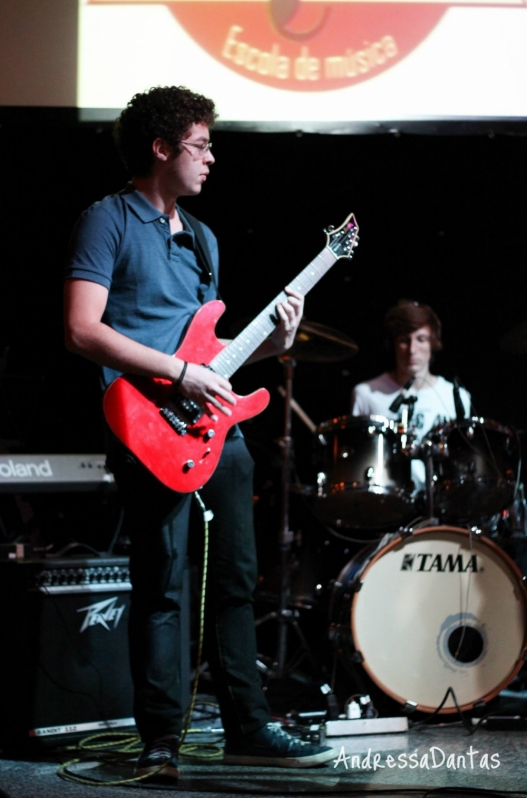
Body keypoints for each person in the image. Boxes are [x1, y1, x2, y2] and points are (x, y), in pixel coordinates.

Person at [63, 86, 337, 781]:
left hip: (217, 432)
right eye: (201, 144)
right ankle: (160, 742)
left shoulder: (204, 238)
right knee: (163, 585)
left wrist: (277, 339)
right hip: (149, 426)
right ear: (161, 149)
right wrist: (179, 372)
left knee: (238, 581)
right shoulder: (107, 220)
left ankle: (248, 725)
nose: (212, 157)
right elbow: (82, 329)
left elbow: (218, 361)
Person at [351, 299, 472, 491]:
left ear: (433, 343)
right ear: (393, 344)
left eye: (421, 339)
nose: (412, 350)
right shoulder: (366, 394)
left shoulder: (456, 396)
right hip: (388, 503)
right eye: (404, 340)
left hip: (444, 502)